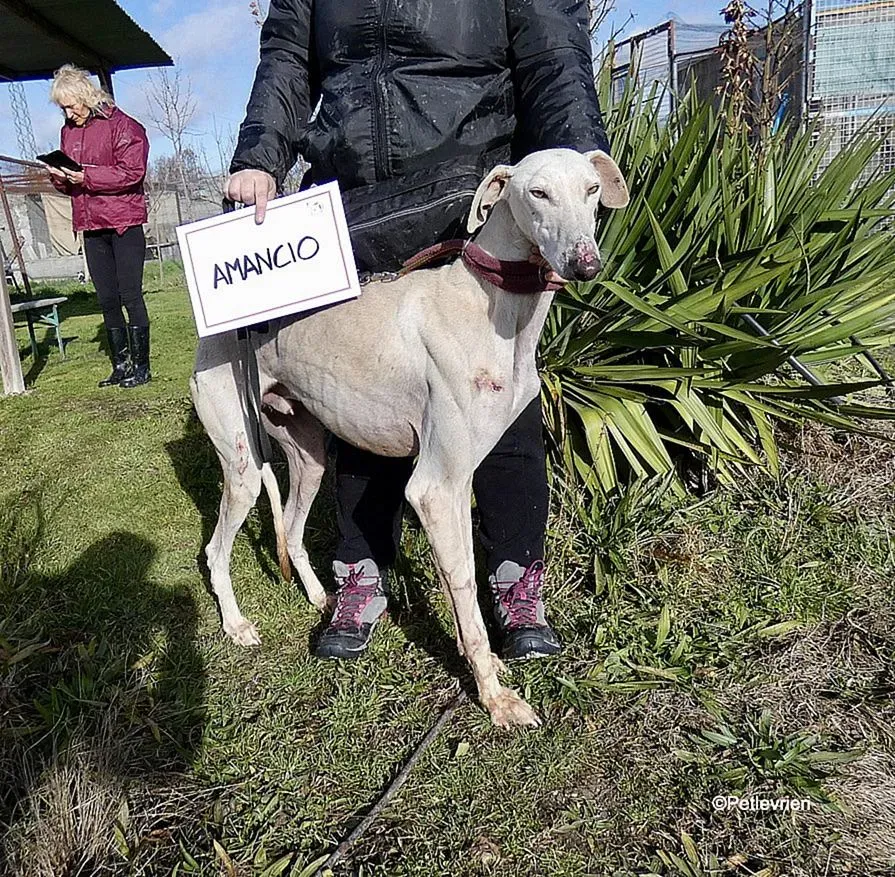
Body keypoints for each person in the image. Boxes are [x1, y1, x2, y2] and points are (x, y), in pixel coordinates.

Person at [227, 0, 611, 661]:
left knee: (498, 391)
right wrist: (260, 153)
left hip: (470, 191)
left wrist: (574, 173)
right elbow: (288, 52)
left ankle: (514, 575)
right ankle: (362, 566)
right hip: (353, 203)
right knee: (357, 387)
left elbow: (552, 52)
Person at [47, 64, 152, 388]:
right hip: (91, 225)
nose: (68, 113)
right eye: (63, 108)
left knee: (130, 295)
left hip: (123, 223)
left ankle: (142, 368)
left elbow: (132, 173)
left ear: (85, 96)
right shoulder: (68, 131)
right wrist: (60, 177)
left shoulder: (123, 126)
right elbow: (73, 183)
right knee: (106, 299)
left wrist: (87, 176)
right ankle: (121, 365)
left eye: (70, 106)